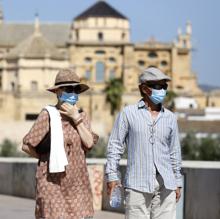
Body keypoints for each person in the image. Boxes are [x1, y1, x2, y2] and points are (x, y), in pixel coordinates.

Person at [105, 67, 182, 219]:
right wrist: (112, 176)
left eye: (164, 87)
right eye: (158, 86)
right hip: (137, 185)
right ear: (145, 88)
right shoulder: (128, 113)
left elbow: (174, 151)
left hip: (166, 185)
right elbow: (115, 146)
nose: (163, 91)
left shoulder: (171, 118)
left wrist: (177, 181)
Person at [22, 68, 98, 219]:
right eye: (69, 89)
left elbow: (89, 143)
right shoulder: (48, 115)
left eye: (76, 90)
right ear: (58, 92)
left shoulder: (82, 116)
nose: (73, 93)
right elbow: (27, 145)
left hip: (77, 183)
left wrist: (76, 118)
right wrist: (48, 159)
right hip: (52, 182)